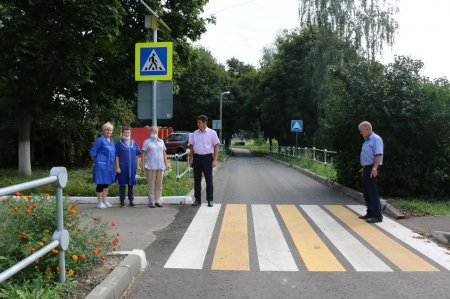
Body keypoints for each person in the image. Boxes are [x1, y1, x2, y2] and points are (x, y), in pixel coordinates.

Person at [188, 115, 220, 207]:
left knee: (208, 180)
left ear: (205, 123)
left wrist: (215, 159)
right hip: (197, 158)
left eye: (199, 122)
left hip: (207, 158)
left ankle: (210, 199)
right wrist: (190, 159)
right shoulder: (195, 133)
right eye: (197, 122)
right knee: (197, 180)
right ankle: (197, 199)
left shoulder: (212, 133)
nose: (198, 124)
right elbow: (192, 147)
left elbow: (215, 146)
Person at [358, 121, 384, 223]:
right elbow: (367, 156)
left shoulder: (376, 139)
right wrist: (364, 167)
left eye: (361, 131)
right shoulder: (367, 140)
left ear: (367, 129)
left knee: (372, 192)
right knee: (367, 192)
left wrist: (374, 168)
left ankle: (377, 216)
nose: (361, 133)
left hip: (373, 168)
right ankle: (370, 212)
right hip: (367, 168)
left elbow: (378, 154)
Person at [90, 122, 116, 209]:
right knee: (100, 184)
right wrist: (97, 162)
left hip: (109, 166)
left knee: (106, 184)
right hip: (101, 166)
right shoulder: (100, 140)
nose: (109, 131)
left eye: (110, 130)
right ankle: (99, 202)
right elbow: (92, 153)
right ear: (104, 130)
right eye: (107, 130)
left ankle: (105, 201)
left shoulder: (111, 140)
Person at [141, 126, 168, 208]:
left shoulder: (161, 141)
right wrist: (142, 166)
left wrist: (166, 164)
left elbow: (164, 153)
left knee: (159, 184)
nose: (154, 133)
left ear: (158, 132)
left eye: (156, 131)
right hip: (150, 166)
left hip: (160, 166)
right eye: (152, 131)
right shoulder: (147, 142)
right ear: (149, 132)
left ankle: (157, 200)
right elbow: (143, 155)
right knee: (151, 184)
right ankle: (152, 201)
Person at [115, 126, 142, 208]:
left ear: (130, 133)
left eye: (128, 132)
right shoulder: (119, 143)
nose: (127, 134)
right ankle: (122, 201)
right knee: (122, 184)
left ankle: (131, 200)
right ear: (122, 133)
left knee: (131, 184)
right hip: (122, 168)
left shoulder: (134, 143)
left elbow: (138, 155)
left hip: (132, 167)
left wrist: (138, 166)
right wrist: (117, 167)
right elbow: (116, 156)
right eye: (125, 132)